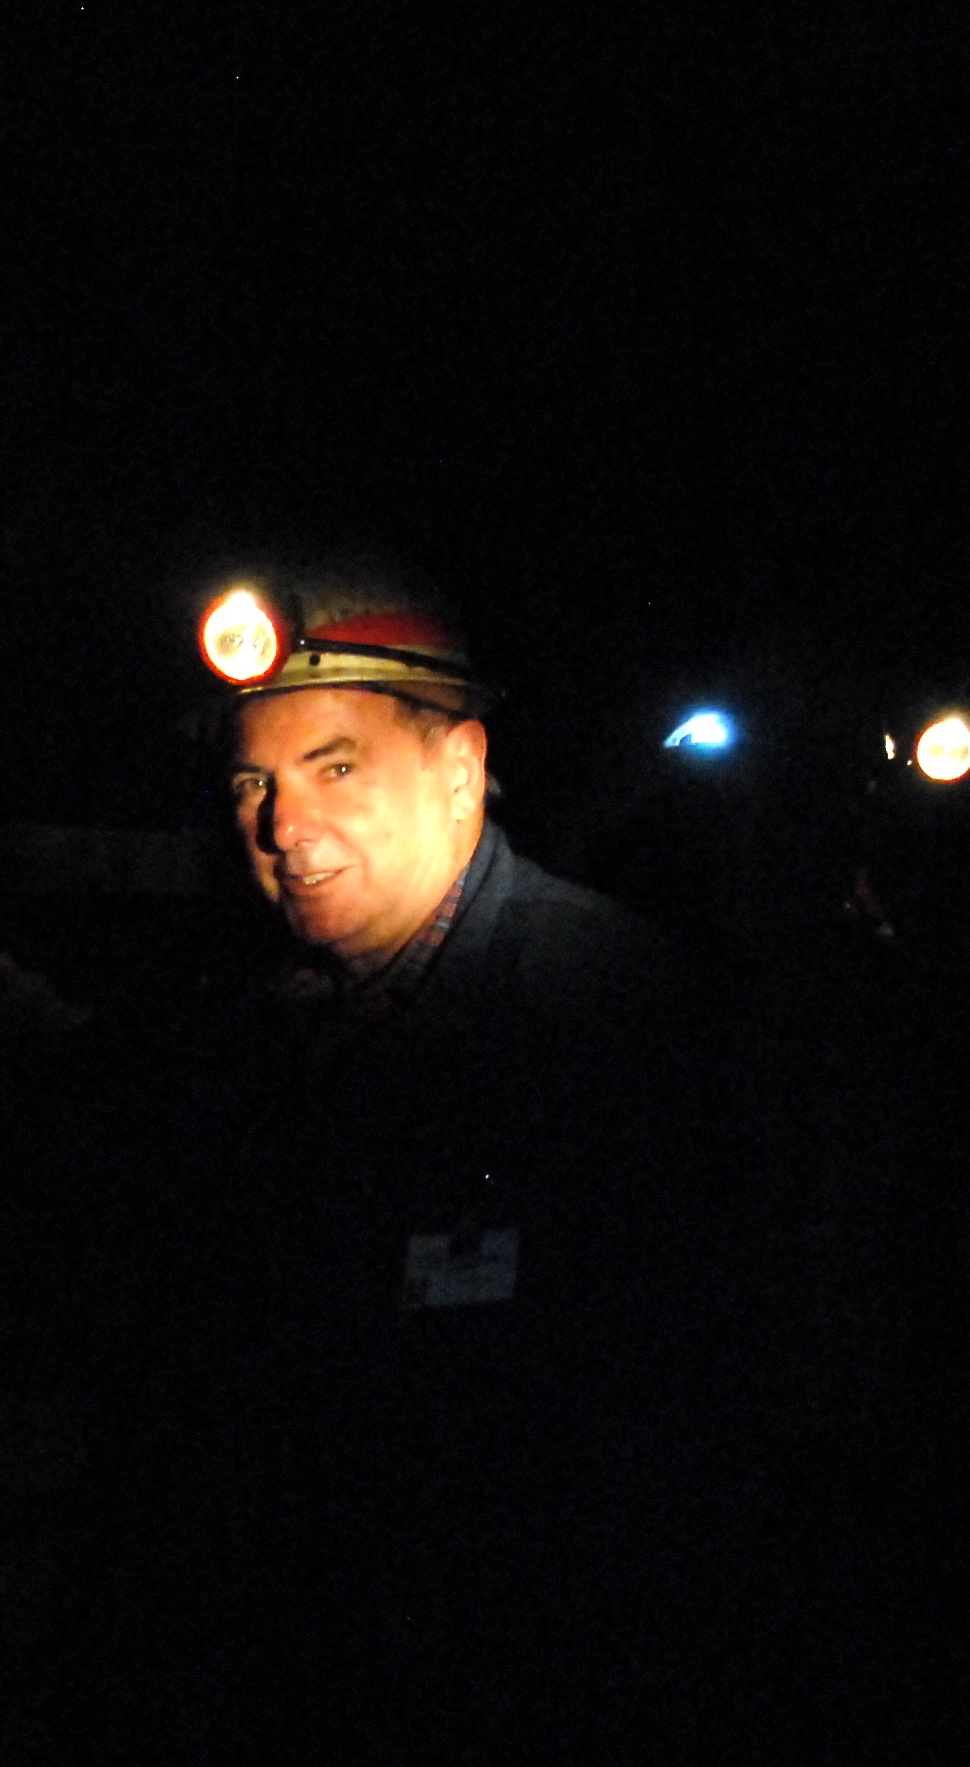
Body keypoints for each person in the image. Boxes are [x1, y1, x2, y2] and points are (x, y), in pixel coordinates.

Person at [145, 561, 763, 1759]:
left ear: (462, 769)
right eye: (252, 783)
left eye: (335, 767)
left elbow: (670, 1437)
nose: (283, 825)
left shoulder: (604, 1009)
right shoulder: (268, 1029)